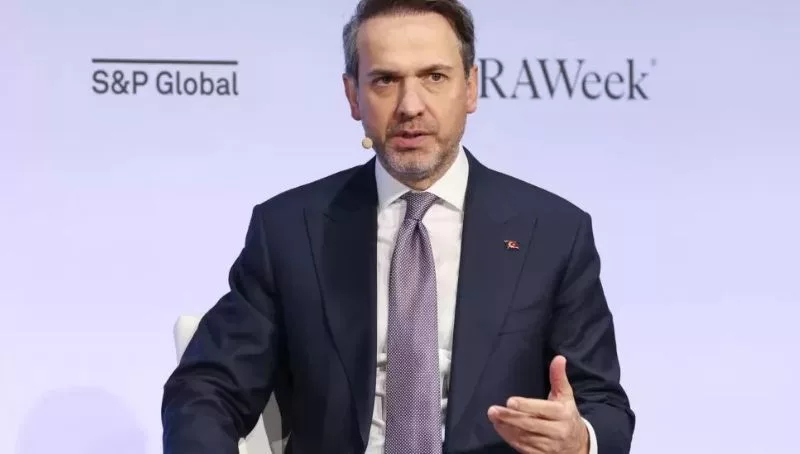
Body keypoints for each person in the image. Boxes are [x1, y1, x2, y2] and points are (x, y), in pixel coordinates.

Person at [161, 0, 635, 452]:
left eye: (434, 77)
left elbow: (604, 405)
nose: (410, 105)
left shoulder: (551, 233)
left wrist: (579, 440)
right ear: (353, 95)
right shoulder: (289, 230)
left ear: (470, 87)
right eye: (385, 80)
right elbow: (206, 388)